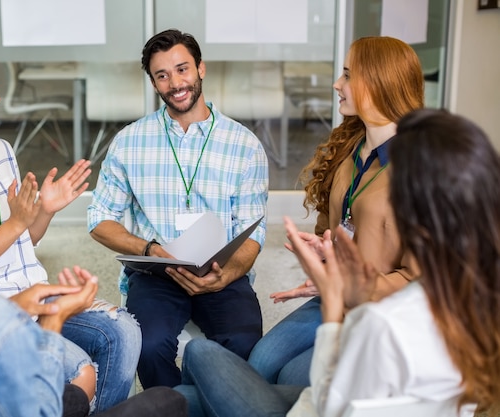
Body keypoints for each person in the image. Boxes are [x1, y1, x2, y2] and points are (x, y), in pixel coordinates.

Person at [175, 108, 500, 417]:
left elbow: (331, 405)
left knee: (198, 354)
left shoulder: (389, 325)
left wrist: (333, 305)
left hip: (320, 407)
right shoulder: (476, 303)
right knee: (177, 401)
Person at [0, 52, 141, 413]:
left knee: (122, 331)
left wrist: (43, 211)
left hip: (35, 295)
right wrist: (15, 222)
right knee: (80, 370)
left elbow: (23, 242)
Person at [88, 28, 268, 388]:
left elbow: (254, 230)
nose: (175, 83)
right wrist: (149, 250)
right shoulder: (129, 142)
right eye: (162, 75)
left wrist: (228, 275)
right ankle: (174, 407)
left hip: (221, 268)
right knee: (148, 346)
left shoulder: (244, 145)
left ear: (201, 69)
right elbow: (99, 220)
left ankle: (215, 404)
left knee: (246, 343)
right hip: (158, 272)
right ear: (154, 83)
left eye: (182, 69)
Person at [247, 36, 424, 387]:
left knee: (291, 382)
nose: (336, 84)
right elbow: (329, 226)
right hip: (333, 298)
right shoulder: (349, 147)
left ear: (377, 84)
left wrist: (349, 286)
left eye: (347, 75)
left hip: (377, 315)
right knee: (258, 364)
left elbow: (420, 280)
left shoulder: (421, 170)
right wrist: (323, 260)